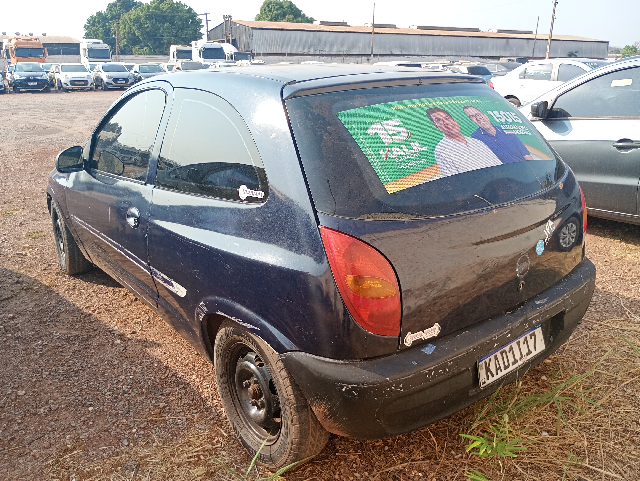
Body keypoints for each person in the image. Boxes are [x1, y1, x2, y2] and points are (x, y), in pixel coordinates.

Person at [425, 107, 501, 178]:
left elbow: (498, 164)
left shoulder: (477, 142)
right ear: (436, 126)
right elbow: (453, 180)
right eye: (439, 120)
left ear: (454, 120)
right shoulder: (442, 150)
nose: (446, 122)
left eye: (447, 118)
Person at [463, 106, 534, 163]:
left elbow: (525, 154)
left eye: (478, 114)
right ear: (472, 120)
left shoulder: (506, 129)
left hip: (524, 168)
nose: (478, 118)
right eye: (472, 116)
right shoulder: (476, 137)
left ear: (485, 116)